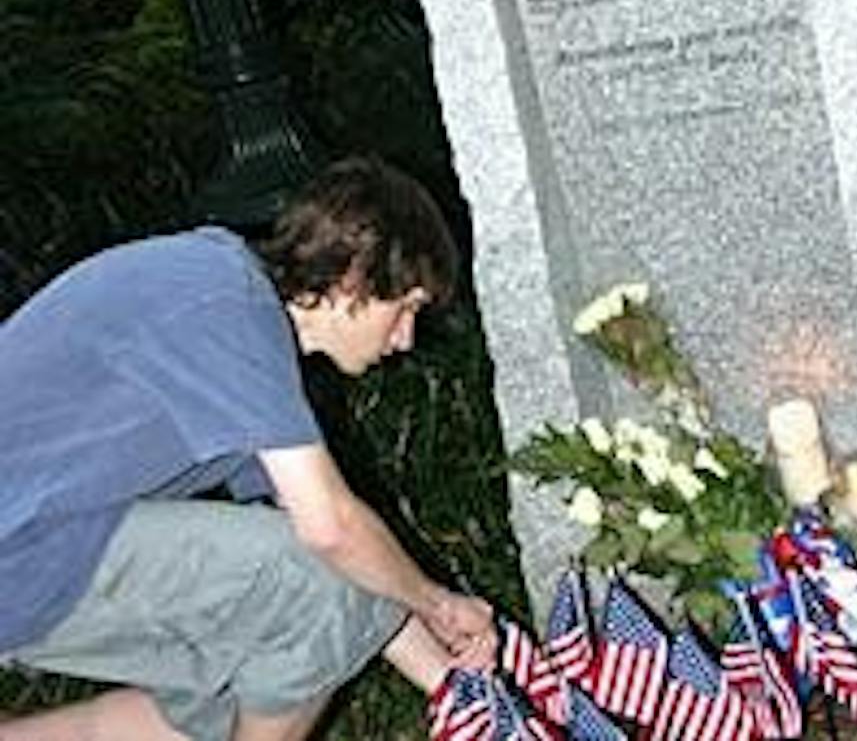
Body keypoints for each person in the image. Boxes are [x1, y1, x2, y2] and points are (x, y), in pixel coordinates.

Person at [0, 155, 498, 741]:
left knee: (229, 696)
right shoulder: (224, 306)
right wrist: (440, 604)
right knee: (312, 595)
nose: (406, 338)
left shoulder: (234, 322)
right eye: (406, 307)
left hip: (38, 541)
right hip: (25, 550)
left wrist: (459, 688)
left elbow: (341, 551)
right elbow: (329, 533)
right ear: (353, 280)